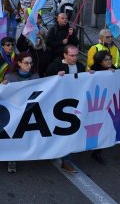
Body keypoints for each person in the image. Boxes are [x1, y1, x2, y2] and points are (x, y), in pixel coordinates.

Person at [45, 44, 87, 173]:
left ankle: (66, 161)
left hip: (74, 104)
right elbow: (45, 82)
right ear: (64, 55)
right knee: (57, 130)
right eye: (72, 55)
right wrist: (55, 77)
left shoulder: (80, 66)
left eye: (76, 55)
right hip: (57, 104)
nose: (75, 58)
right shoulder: (55, 66)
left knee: (68, 131)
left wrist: (91, 75)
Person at [2, 52, 40, 173]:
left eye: (31, 63)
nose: (29, 65)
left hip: (30, 109)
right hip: (14, 111)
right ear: (19, 63)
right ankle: (12, 159)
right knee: (14, 135)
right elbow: (4, 95)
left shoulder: (35, 76)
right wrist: (3, 87)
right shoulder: (10, 77)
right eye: (26, 63)